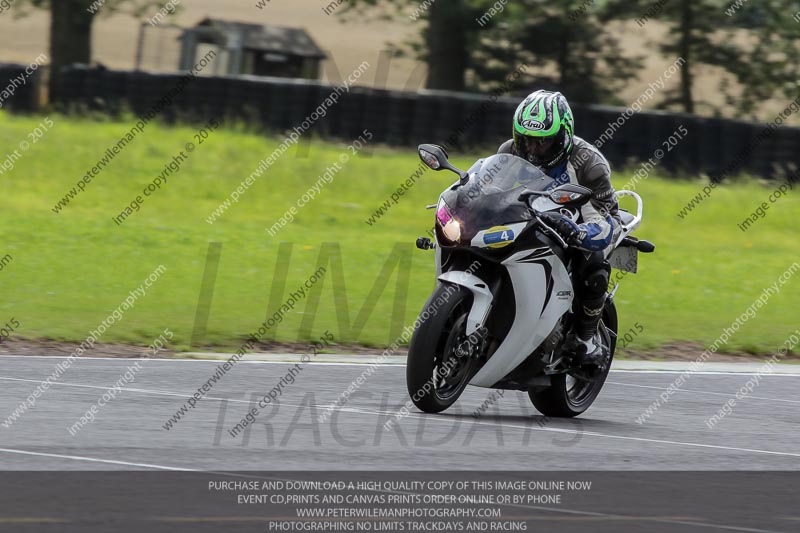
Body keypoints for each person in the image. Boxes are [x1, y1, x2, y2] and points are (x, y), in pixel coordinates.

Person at [497, 89, 620, 366]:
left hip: (586, 216)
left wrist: (579, 232)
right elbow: (490, 190)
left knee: (591, 261)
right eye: (527, 140)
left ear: (563, 137)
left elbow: (602, 220)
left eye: (543, 142)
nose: (533, 149)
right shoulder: (509, 151)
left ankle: (586, 339)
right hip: (532, 211)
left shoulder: (589, 164)